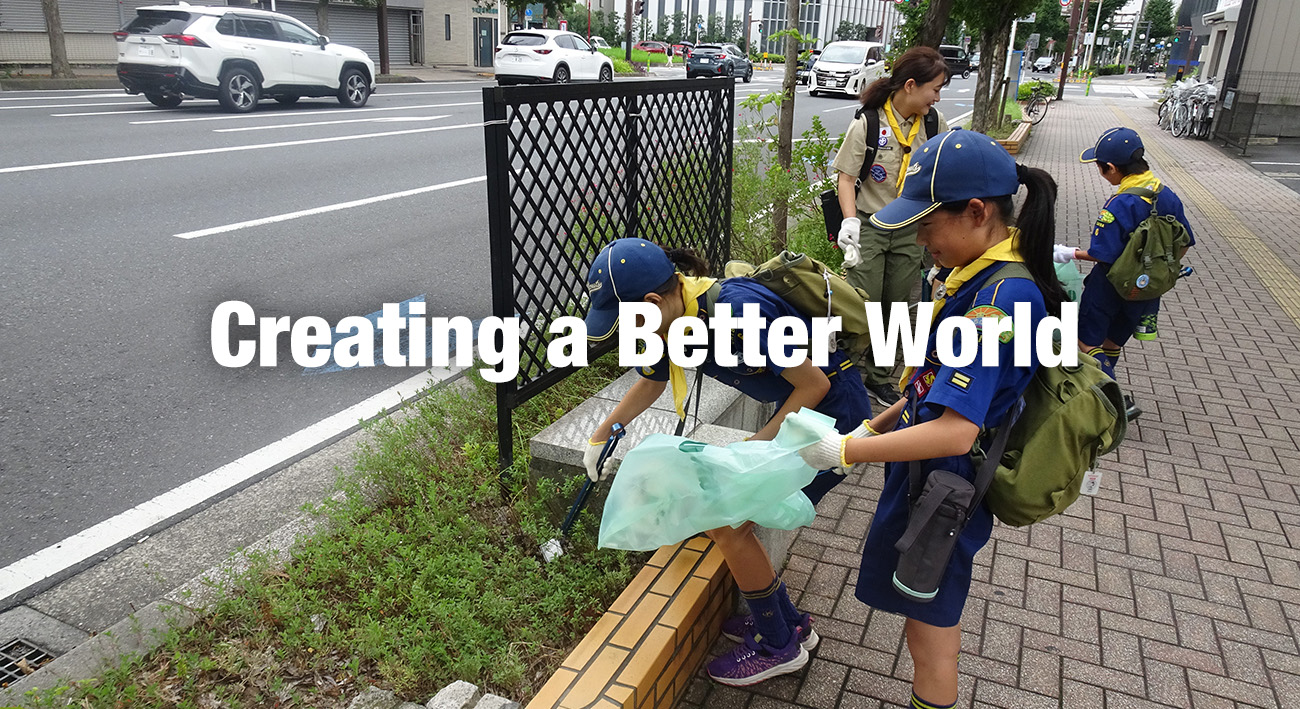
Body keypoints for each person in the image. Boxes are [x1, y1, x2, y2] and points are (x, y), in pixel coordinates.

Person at [799, 131, 1066, 709]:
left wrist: (846, 453)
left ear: (976, 212)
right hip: (927, 471)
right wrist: (880, 422)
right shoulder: (978, 274)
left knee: (931, 630)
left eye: (926, 225)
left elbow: (956, 428)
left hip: (945, 487)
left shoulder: (1003, 302)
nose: (920, 241)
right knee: (920, 614)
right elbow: (936, 386)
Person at [580, 238, 872, 686]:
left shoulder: (737, 313)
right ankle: (790, 624)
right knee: (731, 519)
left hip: (831, 422)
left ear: (654, 301)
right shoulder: (675, 318)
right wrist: (601, 436)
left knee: (730, 523)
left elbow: (812, 384)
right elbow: (651, 381)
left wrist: (753, 449)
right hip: (800, 417)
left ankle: (779, 645)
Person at [832, 46, 950, 407]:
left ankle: (880, 377)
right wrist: (849, 221)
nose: (937, 97)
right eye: (935, 88)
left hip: (911, 228)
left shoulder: (933, 124)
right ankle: (846, 372)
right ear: (911, 85)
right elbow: (847, 178)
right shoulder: (868, 123)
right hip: (870, 224)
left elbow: (941, 174)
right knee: (861, 301)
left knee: (897, 305)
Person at [1052, 127, 1194, 419]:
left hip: (1111, 286)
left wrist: (1068, 252)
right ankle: (1099, 390)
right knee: (1113, 342)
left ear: (1112, 168)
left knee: (1086, 340)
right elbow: (1185, 243)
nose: (1101, 173)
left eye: (1101, 168)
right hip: (1147, 290)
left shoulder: (1121, 204)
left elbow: (1102, 254)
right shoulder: (1167, 196)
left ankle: (1114, 400)